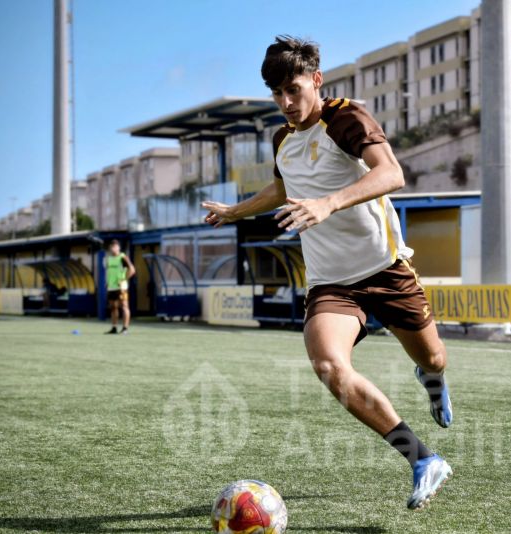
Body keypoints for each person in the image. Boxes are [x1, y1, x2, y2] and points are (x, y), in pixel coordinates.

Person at [202, 36, 453, 510]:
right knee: (329, 366)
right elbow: (282, 188)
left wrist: (329, 203)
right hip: (331, 283)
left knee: (435, 357)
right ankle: (422, 460)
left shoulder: (346, 118)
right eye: (276, 94)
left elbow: (392, 173)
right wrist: (236, 211)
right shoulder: (282, 138)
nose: (286, 103)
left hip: (385, 268)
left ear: (316, 80)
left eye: (293, 90)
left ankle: (432, 378)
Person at [104, 239, 135, 335]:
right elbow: (109, 272)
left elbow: (132, 270)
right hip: (111, 287)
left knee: (124, 306)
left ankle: (125, 329)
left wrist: (124, 279)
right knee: (113, 307)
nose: (113, 248)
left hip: (121, 287)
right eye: (111, 246)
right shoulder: (108, 259)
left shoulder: (123, 257)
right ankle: (114, 328)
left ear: (118, 247)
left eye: (115, 246)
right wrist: (107, 282)